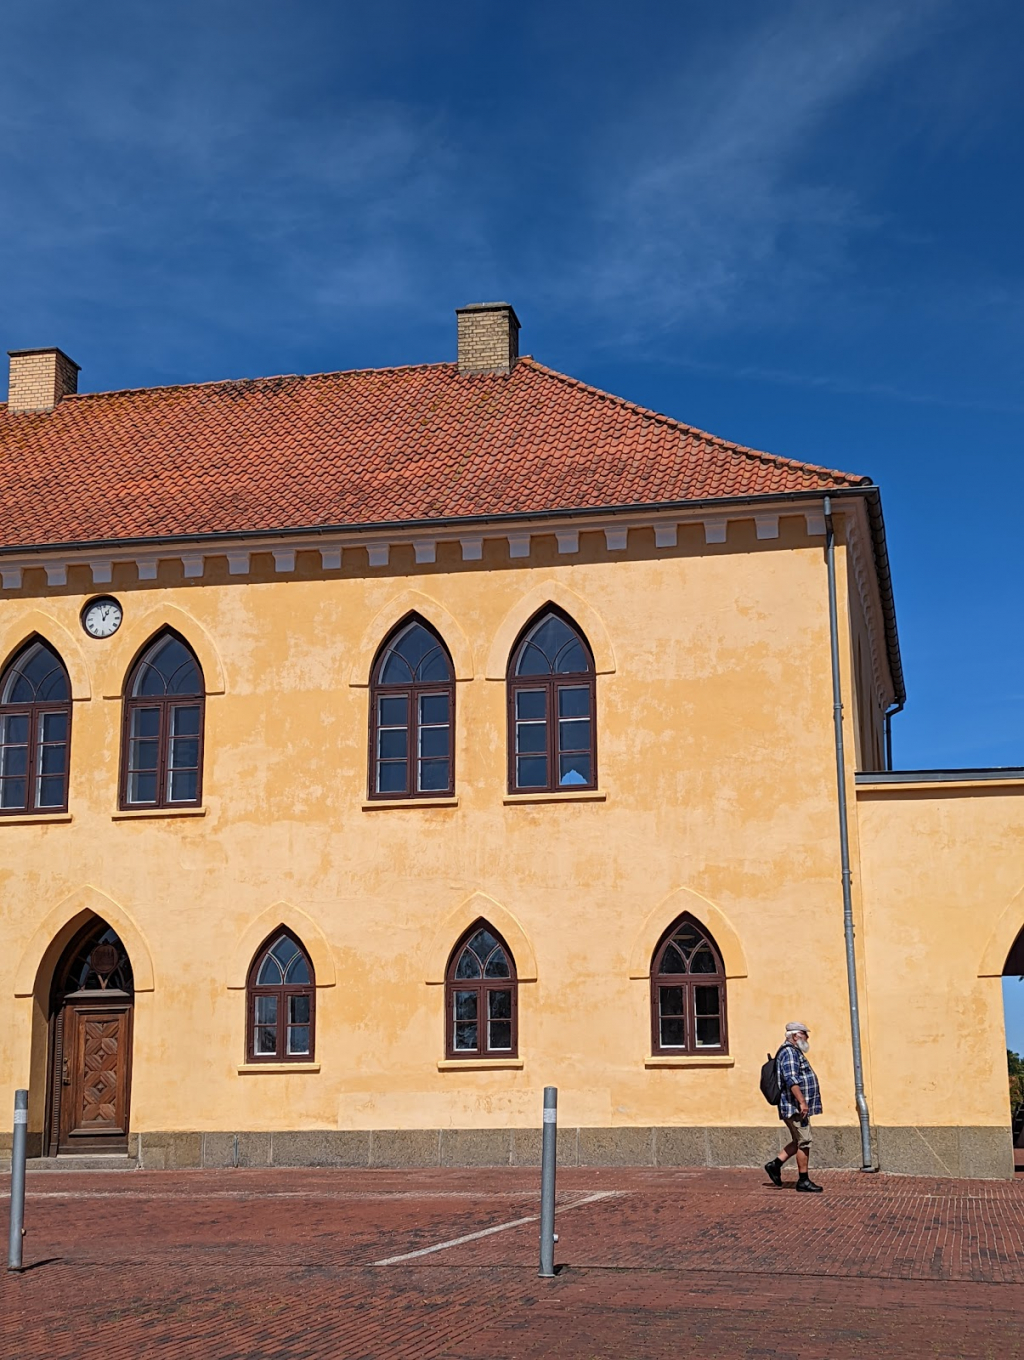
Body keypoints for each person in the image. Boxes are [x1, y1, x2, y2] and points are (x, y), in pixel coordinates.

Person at [764, 1022, 823, 1193]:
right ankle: (803, 1180)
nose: (807, 1037)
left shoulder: (792, 1051)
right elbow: (791, 1079)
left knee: (799, 1140)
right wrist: (802, 1102)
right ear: (796, 1036)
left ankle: (775, 1165)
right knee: (804, 1141)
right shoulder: (790, 1052)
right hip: (794, 1107)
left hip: (794, 1106)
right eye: (805, 1034)